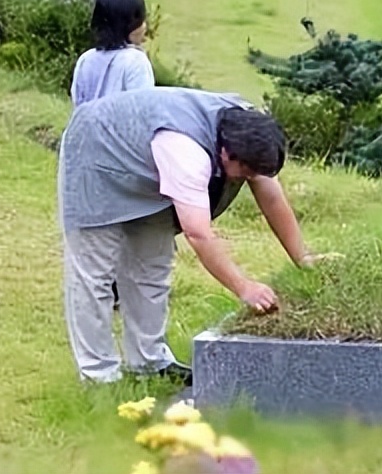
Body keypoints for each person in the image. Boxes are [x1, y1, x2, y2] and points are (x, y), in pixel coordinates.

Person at [58, 86, 322, 386]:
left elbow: (272, 199)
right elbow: (199, 234)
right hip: (96, 155)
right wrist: (244, 287)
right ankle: (99, 376)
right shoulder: (186, 154)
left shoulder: (249, 131)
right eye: (244, 173)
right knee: (95, 275)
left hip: (149, 166)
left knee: (151, 268)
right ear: (224, 152)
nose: (247, 180)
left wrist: (304, 258)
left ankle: (149, 362)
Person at [70, 0, 157, 309]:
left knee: (100, 225)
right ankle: (121, 288)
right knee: (129, 224)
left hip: (88, 150)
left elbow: (78, 103)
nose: (145, 25)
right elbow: (142, 111)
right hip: (122, 152)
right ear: (129, 22)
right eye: (141, 18)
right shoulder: (134, 62)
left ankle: (101, 287)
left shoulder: (85, 60)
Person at [70, 0, 155, 107]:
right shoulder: (136, 60)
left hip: (86, 125)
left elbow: (78, 103)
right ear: (128, 26)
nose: (144, 27)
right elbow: (143, 109)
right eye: (140, 21)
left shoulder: (86, 58)